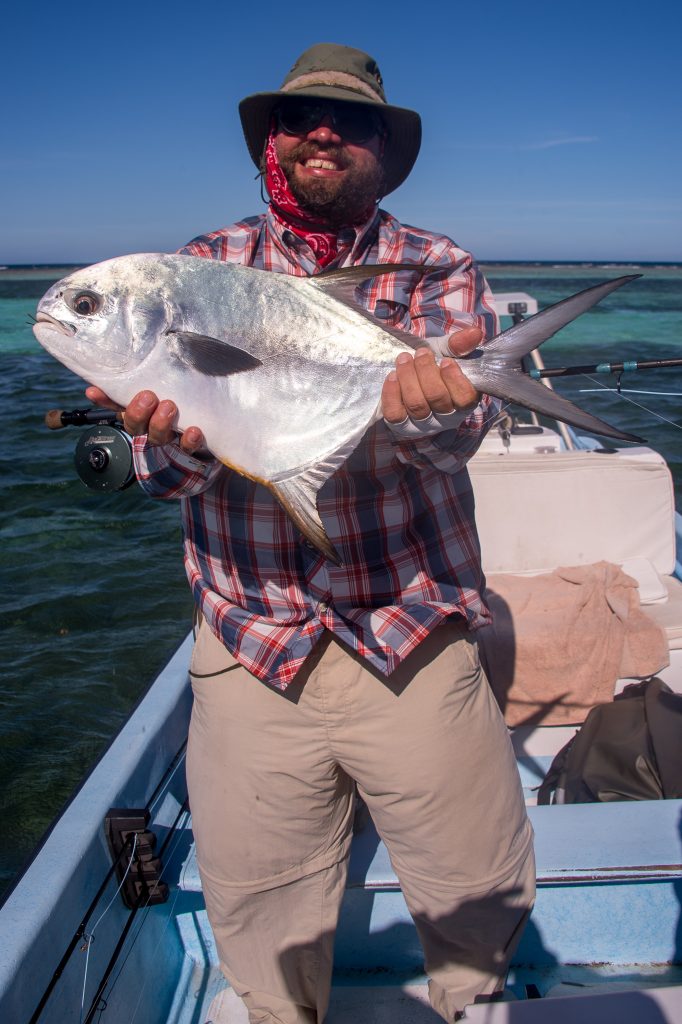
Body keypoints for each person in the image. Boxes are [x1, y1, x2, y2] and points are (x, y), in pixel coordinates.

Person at [89, 43, 535, 1024]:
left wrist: (430, 409)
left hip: (410, 624)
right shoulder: (198, 270)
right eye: (298, 118)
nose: (323, 132)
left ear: (383, 149)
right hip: (250, 638)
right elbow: (169, 470)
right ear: (270, 146)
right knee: (265, 936)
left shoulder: (434, 265)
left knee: (477, 903)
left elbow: (451, 443)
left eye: (352, 121)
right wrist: (165, 441)